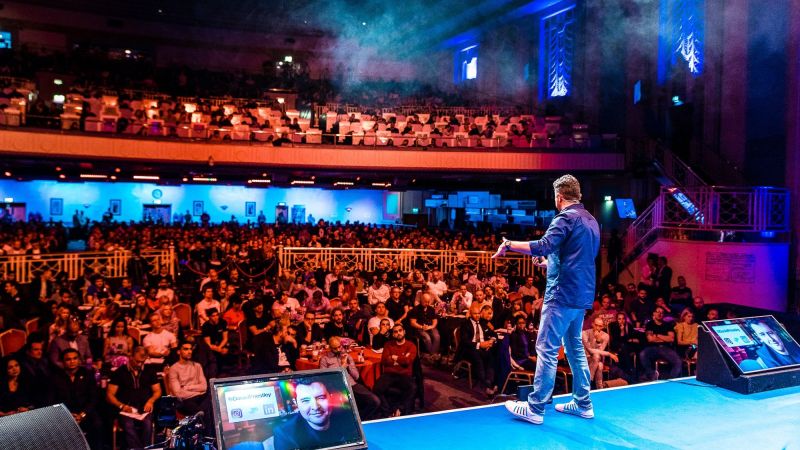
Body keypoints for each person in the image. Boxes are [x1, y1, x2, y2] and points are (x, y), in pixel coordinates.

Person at [495, 174, 599, 425]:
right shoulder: (591, 220)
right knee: (574, 346)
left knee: (547, 348)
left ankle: (535, 407)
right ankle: (583, 403)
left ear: (559, 196)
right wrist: (549, 265)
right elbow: (577, 258)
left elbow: (543, 245)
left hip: (561, 294)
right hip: (581, 294)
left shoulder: (565, 218)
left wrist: (508, 244)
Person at [272, 379, 360, 450]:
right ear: (296, 403)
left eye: (321, 398)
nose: (315, 407)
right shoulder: (284, 433)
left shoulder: (349, 417)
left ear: (330, 397)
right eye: (306, 401)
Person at [106, 346, 162, 450]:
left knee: (148, 425)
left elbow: (157, 391)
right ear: (130, 357)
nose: (140, 364)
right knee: (128, 426)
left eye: (142, 361)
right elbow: (109, 395)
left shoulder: (149, 370)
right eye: (137, 361)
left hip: (144, 408)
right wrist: (121, 406)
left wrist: (151, 401)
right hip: (126, 409)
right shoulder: (120, 372)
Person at [319, 336, 381, 420]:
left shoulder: (347, 356)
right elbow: (325, 379)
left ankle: (359, 420)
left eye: (339, 347)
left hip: (352, 384)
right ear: (330, 347)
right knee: (345, 408)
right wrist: (342, 367)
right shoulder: (325, 359)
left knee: (375, 401)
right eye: (335, 348)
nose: (338, 350)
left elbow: (356, 376)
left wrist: (348, 365)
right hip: (337, 386)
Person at [372, 323, 417, 417]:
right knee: (376, 388)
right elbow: (384, 361)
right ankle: (388, 411)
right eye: (395, 332)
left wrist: (394, 357)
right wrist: (402, 358)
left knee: (413, 388)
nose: (398, 333)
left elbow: (407, 361)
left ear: (404, 332)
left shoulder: (411, 345)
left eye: (400, 331)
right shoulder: (388, 345)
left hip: (405, 374)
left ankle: (399, 410)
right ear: (393, 334)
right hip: (389, 374)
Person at [582, 318, 618, 389]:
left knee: (599, 362)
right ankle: (599, 387)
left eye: (600, 326)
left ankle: (589, 381)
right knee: (599, 364)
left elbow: (600, 352)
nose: (597, 328)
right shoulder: (584, 333)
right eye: (596, 325)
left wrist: (598, 341)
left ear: (603, 326)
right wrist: (609, 354)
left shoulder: (605, 336)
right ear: (592, 324)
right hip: (585, 359)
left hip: (596, 359)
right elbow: (590, 350)